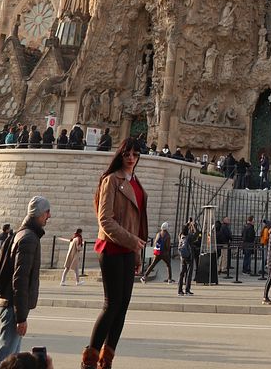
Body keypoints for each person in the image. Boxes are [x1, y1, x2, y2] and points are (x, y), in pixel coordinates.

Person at [81, 137, 148, 369]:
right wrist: (132, 241)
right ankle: (90, 360)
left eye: (135, 154)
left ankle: (106, 360)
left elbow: (135, 222)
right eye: (127, 154)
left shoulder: (136, 183)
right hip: (111, 247)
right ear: (120, 155)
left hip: (128, 250)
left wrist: (136, 253)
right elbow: (105, 220)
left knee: (123, 305)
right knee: (112, 304)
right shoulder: (111, 180)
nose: (131, 158)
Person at [0, 195, 51, 369]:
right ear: (40, 214)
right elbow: (20, 280)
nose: (49, 216)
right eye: (47, 212)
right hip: (13, 306)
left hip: (11, 304)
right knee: (6, 360)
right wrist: (21, 317)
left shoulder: (22, 234)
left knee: (13, 359)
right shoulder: (28, 238)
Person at [177, 224, 194, 296]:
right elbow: (195, 234)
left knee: (182, 274)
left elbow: (182, 231)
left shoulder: (181, 236)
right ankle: (187, 290)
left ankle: (180, 290)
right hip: (189, 257)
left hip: (182, 257)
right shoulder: (189, 237)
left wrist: (187, 224)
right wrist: (192, 226)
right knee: (189, 273)